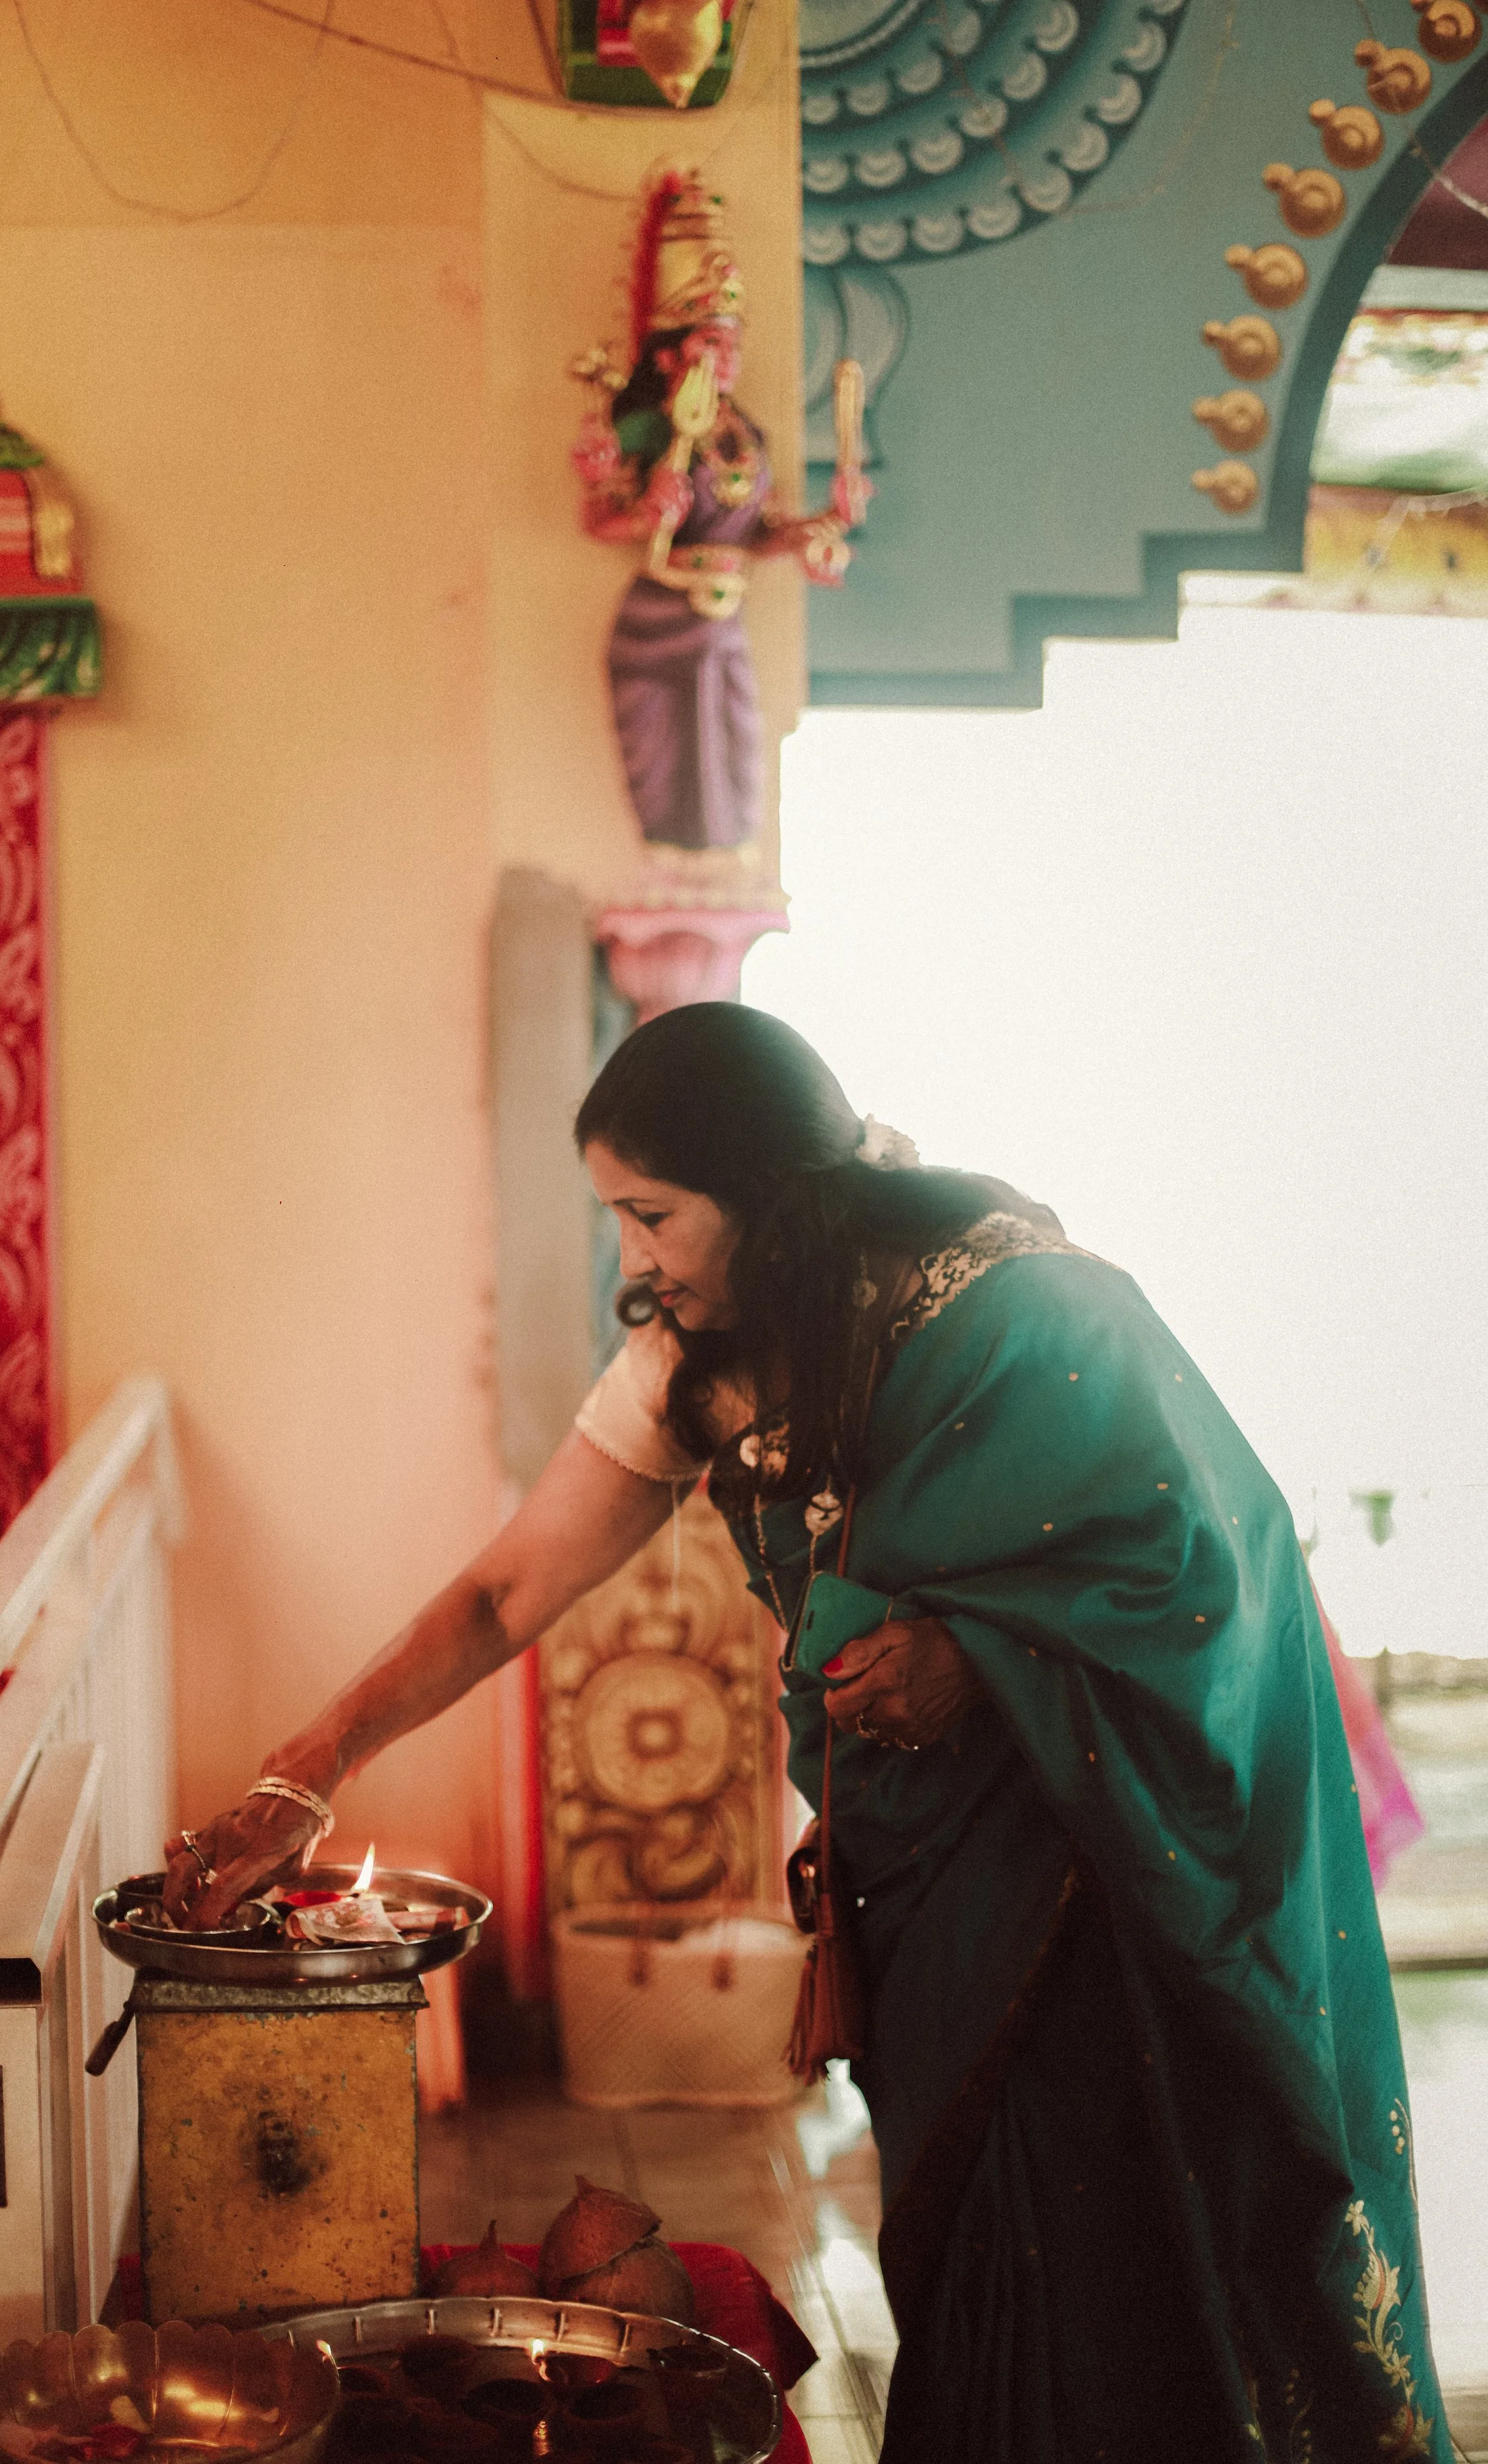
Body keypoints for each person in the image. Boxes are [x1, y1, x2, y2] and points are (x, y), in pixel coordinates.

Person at [164, 1003, 1449, 2464]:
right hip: (930, 1898)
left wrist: (977, 1656)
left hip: (1101, 1887)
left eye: (650, 1214)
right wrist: (307, 1767)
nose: (629, 1258)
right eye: (614, 1219)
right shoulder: (686, 1359)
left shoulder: (1029, 1309)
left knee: (1133, 2264)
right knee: (981, 2266)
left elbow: (1212, 1559)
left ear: (765, 1197)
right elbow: (505, 1589)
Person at [571, 170, 865, 851]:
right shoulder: (647, 427)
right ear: (671, 354)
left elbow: (756, 532)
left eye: (731, 342)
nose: (727, 358)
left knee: (735, 777)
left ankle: (715, 873)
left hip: (724, 620)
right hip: (662, 614)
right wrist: (648, 510)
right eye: (710, 343)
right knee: (671, 791)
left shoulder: (744, 434)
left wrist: (817, 526)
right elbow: (599, 521)